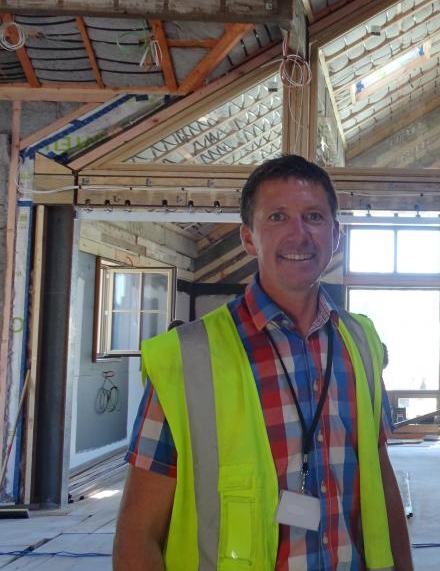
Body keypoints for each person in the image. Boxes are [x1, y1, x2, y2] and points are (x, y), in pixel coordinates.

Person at [114, 154, 412, 570]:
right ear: (249, 238)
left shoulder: (360, 342)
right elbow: (137, 537)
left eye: (313, 216)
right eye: (277, 217)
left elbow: (379, 476)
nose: (299, 234)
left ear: (336, 235)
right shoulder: (186, 358)